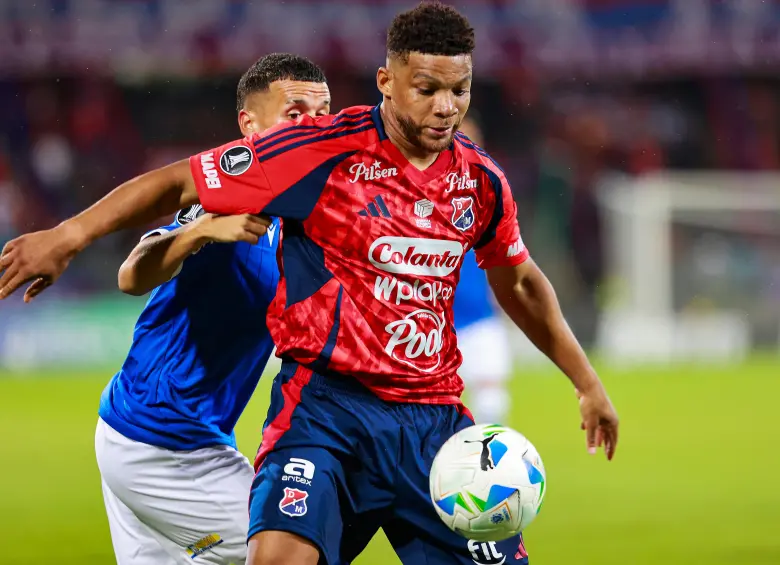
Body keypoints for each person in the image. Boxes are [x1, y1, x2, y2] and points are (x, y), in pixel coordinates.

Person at [0, 3, 620, 565]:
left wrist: (586, 381)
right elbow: (178, 185)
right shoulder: (317, 150)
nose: (445, 106)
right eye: (426, 88)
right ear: (387, 82)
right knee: (272, 559)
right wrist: (66, 236)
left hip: (432, 421)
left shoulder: (481, 181)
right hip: (326, 411)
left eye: (458, 89)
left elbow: (521, 281)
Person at [95, 53, 331, 565]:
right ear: (250, 125)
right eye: (295, 113)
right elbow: (132, 275)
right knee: (292, 549)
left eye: (324, 111)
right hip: (161, 446)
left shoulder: (307, 212)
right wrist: (198, 231)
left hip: (159, 435)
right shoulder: (224, 197)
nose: (314, 126)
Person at [452, 114, 514, 424]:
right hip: (430, 320)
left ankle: (486, 468)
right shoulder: (412, 188)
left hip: (479, 316)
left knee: (492, 402)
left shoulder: (490, 191)